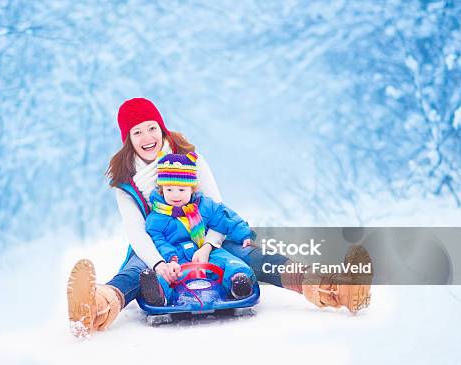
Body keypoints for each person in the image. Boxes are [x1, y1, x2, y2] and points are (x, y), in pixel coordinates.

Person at [66, 97, 372, 337]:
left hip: (205, 236)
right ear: (127, 138)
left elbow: (217, 208)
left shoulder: (191, 160)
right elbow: (137, 233)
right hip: (156, 245)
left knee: (253, 257)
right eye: (137, 131)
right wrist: (160, 263)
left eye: (151, 128)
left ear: (161, 127)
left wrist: (209, 247)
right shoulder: (126, 183)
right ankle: (92, 308)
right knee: (136, 273)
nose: (147, 137)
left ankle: (335, 289)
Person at [139, 152, 256, 306]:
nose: (175, 195)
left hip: (206, 251)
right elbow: (158, 241)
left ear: (192, 189)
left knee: (229, 261)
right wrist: (171, 260)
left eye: (181, 190)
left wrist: (244, 234)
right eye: (169, 189)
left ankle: (238, 283)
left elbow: (225, 217)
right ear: (161, 190)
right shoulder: (156, 218)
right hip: (177, 257)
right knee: (166, 275)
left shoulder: (204, 206)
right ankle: (158, 293)